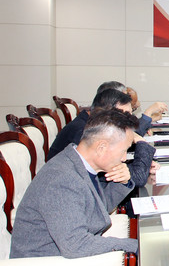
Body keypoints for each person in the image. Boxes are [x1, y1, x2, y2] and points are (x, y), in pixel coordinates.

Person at [10, 108, 141, 258]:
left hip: (63, 254)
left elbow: (97, 209)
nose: (124, 158)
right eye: (123, 151)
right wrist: (135, 246)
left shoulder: (78, 164)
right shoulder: (62, 179)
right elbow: (76, 245)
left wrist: (122, 182)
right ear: (101, 148)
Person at [46, 89, 156, 185]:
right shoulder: (83, 132)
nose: (129, 119)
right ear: (108, 114)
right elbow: (138, 177)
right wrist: (141, 144)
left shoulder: (91, 125)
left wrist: (143, 164)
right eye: (125, 115)